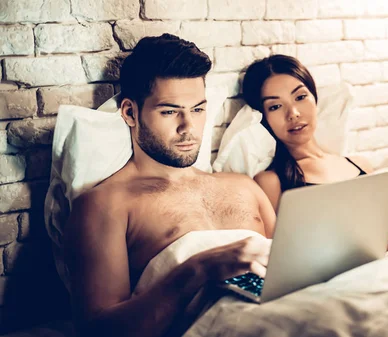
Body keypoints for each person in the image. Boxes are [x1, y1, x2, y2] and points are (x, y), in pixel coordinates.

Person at [62, 34, 275, 337]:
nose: (188, 127)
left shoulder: (245, 187)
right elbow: (98, 329)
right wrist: (198, 269)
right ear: (130, 113)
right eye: (170, 111)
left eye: (198, 109)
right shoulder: (106, 205)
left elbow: (294, 270)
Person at [242, 55, 388, 250]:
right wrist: (364, 244)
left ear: (315, 99)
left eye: (301, 96)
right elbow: (279, 254)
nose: (293, 112)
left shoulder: (361, 166)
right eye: (275, 106)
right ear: (262, 118)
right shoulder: (271, 181)